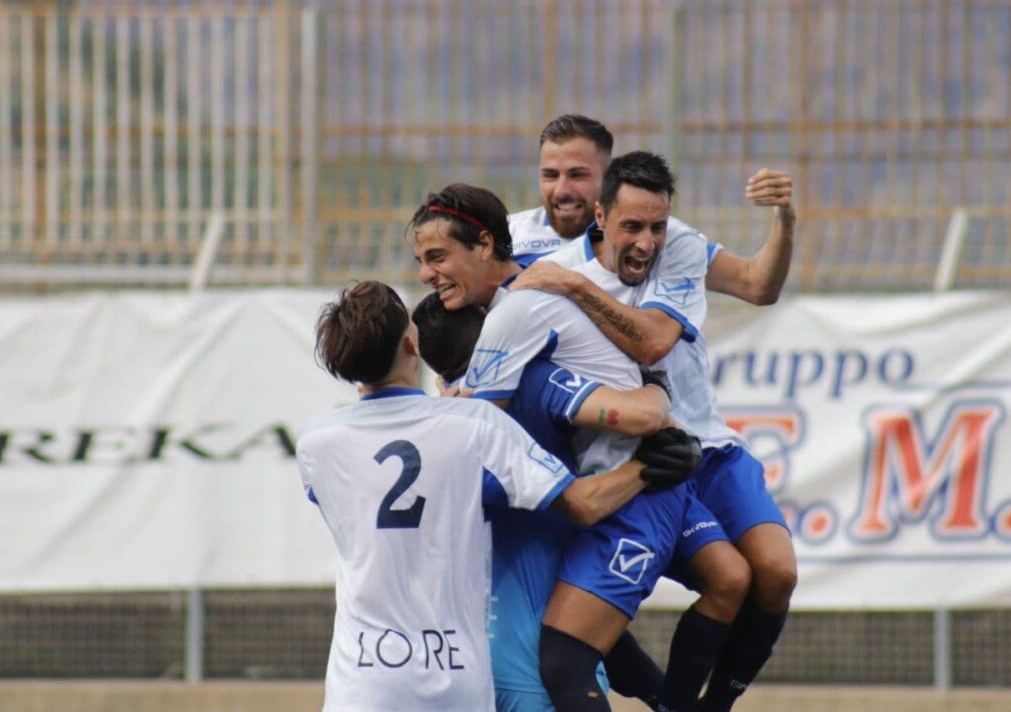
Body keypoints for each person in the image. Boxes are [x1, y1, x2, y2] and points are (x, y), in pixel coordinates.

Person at [411, 186, 753, 712]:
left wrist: (655, 410)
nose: (426, 274)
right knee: (725, 579)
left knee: (568, 652)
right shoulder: (515, 311)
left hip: (630, 489)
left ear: (483, 245)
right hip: (623, 482)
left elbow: (627, 434)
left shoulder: (532, 347)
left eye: (436, 258)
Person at [295, 280, 695, 711]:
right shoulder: (473, 424)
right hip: (455, 680)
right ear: (412, 345)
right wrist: (648, 467)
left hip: (361, 683)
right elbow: (584, 504)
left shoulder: (316, 441)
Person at [512, 151, 798, 711]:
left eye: (657, 226)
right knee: (727, 580)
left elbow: (752, 290)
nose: (647, 241)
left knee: (776, 571)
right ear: (602, 214)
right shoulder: (539, 264)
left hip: (705, 449)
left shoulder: (678, 248)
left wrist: (786, 218)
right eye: (553, 174)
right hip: (639, 467)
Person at [510, 113, 795, 307]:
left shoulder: (665, 238)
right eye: (550, 175)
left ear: (609, 177)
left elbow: (757, 285)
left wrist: (784, 216)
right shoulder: (509, 236)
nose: (562, 190)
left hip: (669, 398)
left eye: (577, 175)